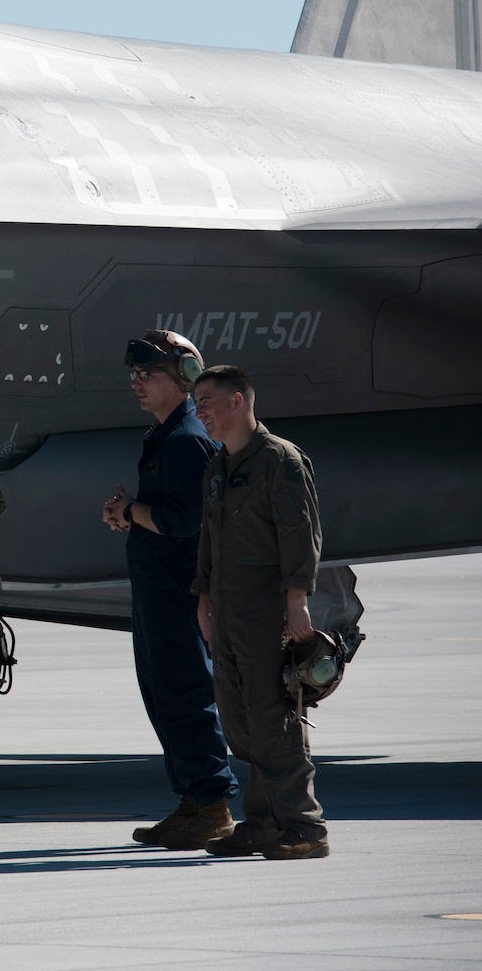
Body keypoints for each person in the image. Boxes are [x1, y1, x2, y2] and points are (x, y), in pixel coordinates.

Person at [100, 330, 238, 850]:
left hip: (179, 592)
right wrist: (132, 515)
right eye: (133, 375)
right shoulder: (165, 435)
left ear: (180, 378)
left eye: (148, 374)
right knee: (163, 692)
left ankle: (213, 804)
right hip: (159, 588)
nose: (137, 383)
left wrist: (132, 512)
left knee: (184, 692)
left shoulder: (184, 440)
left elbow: (185, 521)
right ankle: (193, 801)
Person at [190, 364, 329, 861]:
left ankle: (304, 826)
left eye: (207, 400)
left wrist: (297, 604)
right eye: (197, 402)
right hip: (227, 612)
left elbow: (301, 536)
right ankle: (263, 823)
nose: (199, 410)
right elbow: (209, 539)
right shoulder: (219, 467)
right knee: (240, 723)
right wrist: (204, 600)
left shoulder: (280, 461)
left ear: (239, 401)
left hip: (267, 612)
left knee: (275, 718)